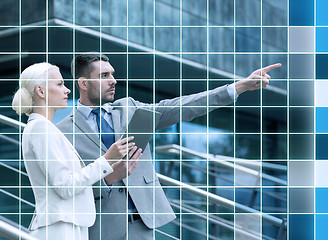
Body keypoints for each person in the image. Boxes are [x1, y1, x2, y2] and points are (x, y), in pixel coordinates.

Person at [56, 54, 282, 239]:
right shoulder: (62, 131)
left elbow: (180, 106)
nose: (113, 80)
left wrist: (237, 87)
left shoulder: (129, 108)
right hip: (101, 229)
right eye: (104, 75)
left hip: (144, 226)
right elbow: (65, 188)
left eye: (113, 74)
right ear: (83, 84)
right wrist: (107, 179)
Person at [11, 62, 143, 239]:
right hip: (60, 228)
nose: (67, 90)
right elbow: (65, 186)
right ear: (40, 91)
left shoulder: (44, 128)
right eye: (59, 84)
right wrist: (106, 160)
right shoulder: (41, 129)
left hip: (68, 224)